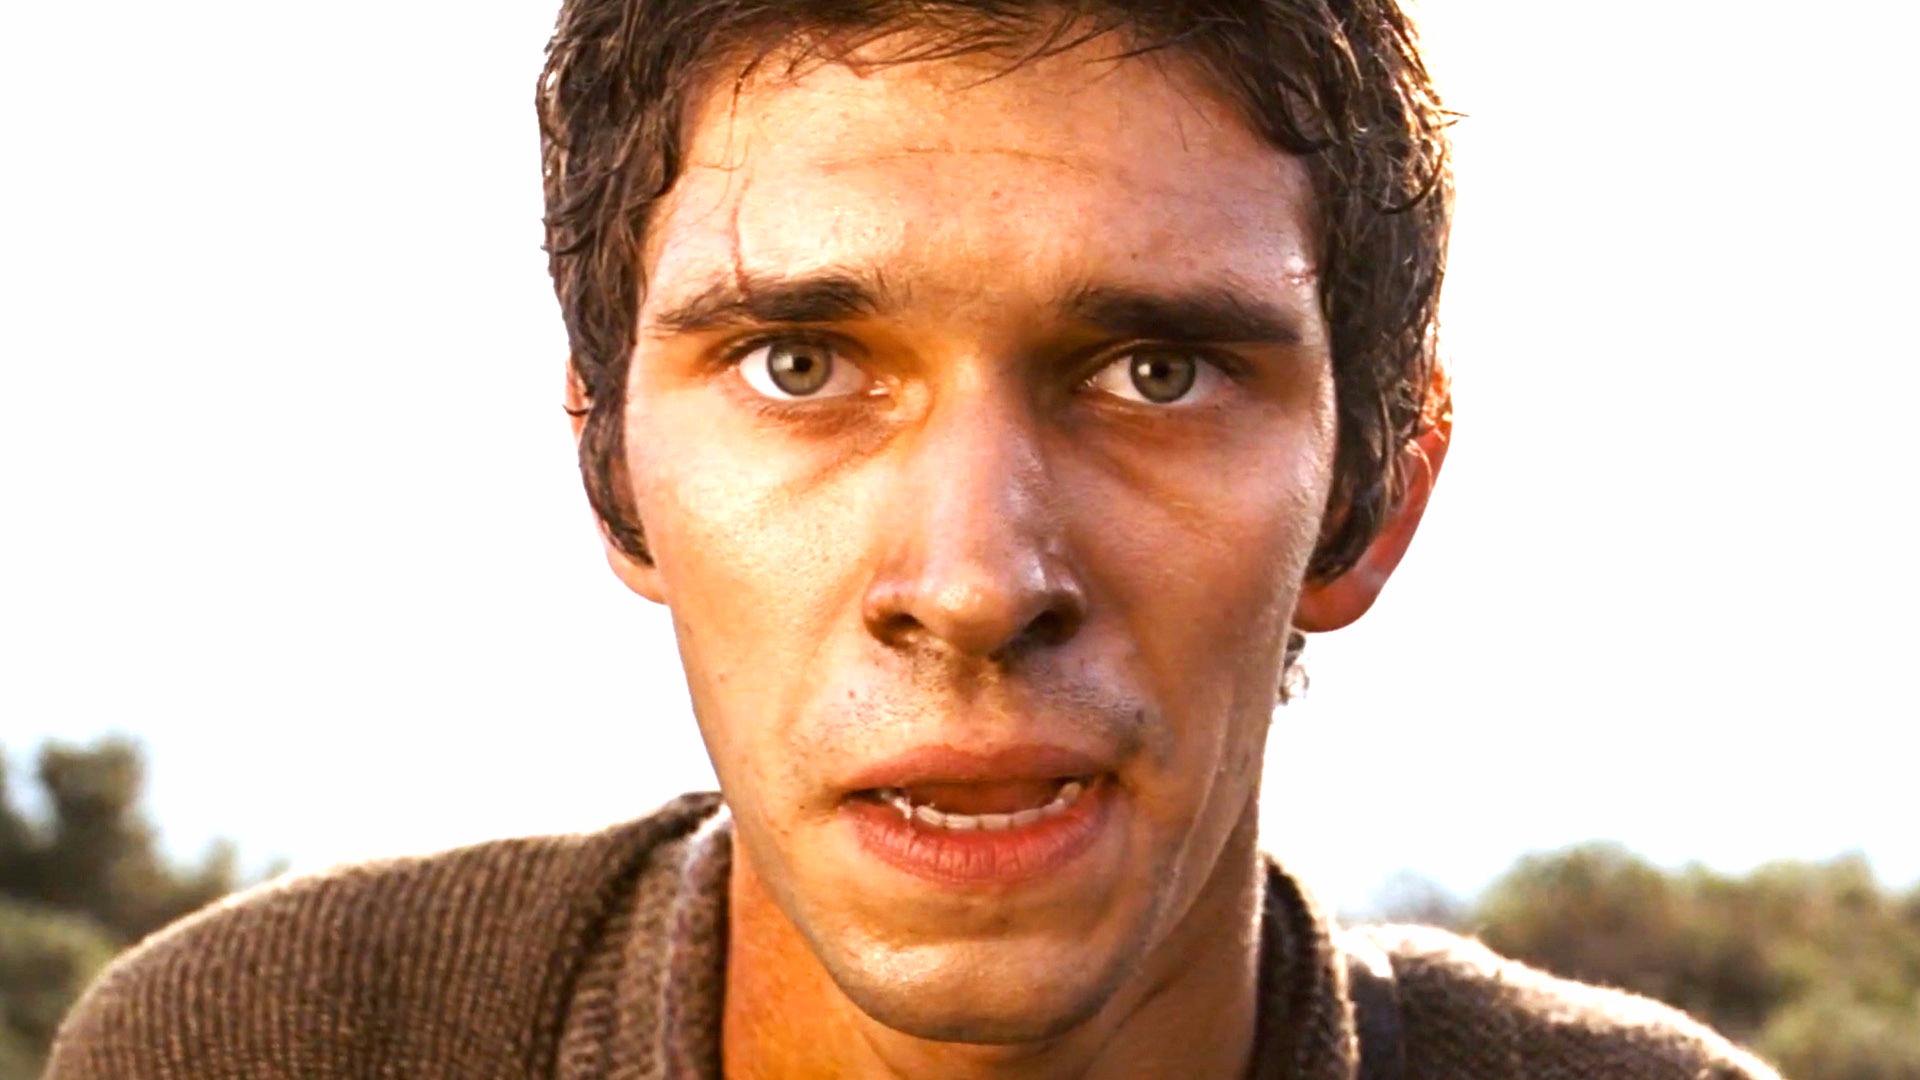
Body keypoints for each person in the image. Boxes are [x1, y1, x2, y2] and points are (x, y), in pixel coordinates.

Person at [48, 2, 1781, 1078]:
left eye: (1156, 371)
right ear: (610, 468)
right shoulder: (255, 1044)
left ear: (1374, 494)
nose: (973, 582)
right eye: (799, 366)